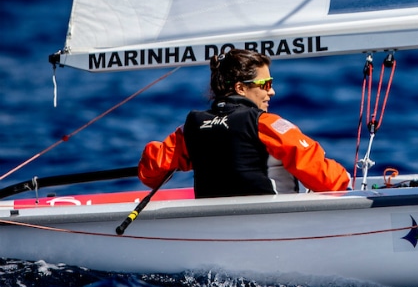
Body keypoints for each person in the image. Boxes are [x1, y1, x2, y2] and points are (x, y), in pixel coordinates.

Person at [138, 49, 351, 198]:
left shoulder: (191, 127)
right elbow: (328, 181)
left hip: (213, 230)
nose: (272, 91)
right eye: (265, 84)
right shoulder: (267, 125)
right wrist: (347, 181)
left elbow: (150, 172)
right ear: (240, 88)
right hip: (273, 227)